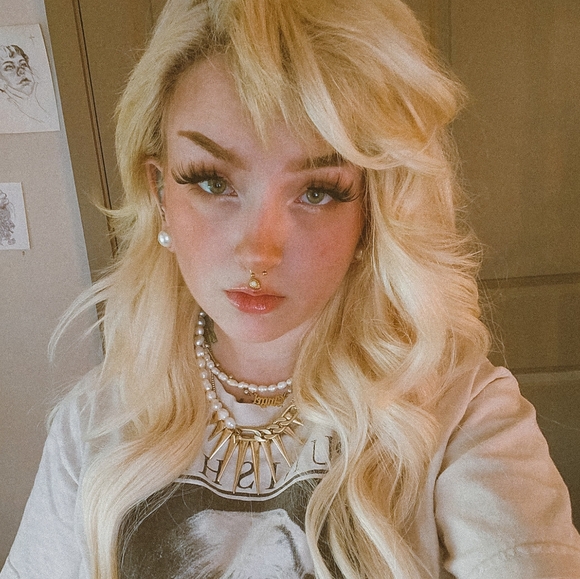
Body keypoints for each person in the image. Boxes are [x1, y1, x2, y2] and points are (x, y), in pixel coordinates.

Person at [2, 0, 580, 577]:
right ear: (159, 193)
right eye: (212, 181)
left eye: (318, 191)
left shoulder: (461, 414)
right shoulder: (92, 424)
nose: (259, 251)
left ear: (372, 211)